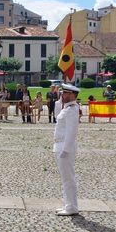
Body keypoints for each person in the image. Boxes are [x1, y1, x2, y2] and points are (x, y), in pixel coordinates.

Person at [54, 84, 80, 216]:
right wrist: (59, 101)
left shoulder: (72, 110)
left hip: (65, 147)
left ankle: (72, 207)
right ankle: (67, 204)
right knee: (65, 178)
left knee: (68, 178)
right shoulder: (66, 108)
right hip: (59, 145)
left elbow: (71, 132)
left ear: (72, 95)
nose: (62, 95)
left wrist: (66, 150)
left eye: (64, 93)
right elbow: (55, 115)